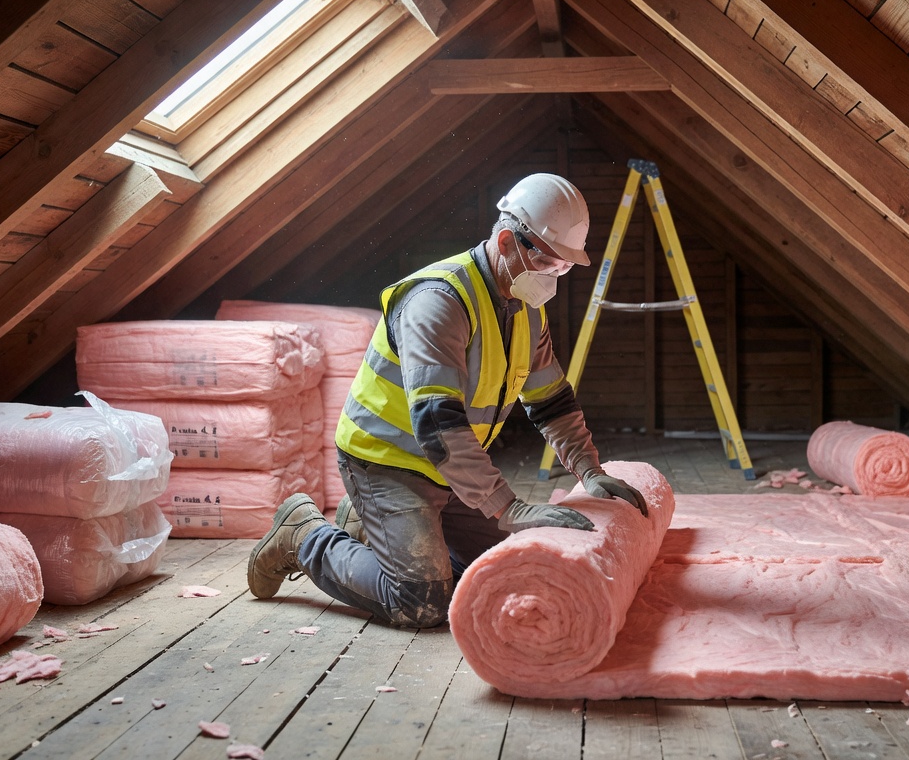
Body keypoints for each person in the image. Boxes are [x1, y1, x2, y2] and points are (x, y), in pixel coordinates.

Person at [246, 172, 648, 627]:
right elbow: (437, 424)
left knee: (504, 568)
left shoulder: (525, 311)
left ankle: (369, 527)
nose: (554, 277)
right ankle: (303, 536)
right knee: (421, 601)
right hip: (386, 461)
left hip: (449, 468)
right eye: (548, 263)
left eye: (564, 268)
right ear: (506, 241)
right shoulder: (438, 302)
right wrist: (506, 507)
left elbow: (551, 401)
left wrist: (591, 471)